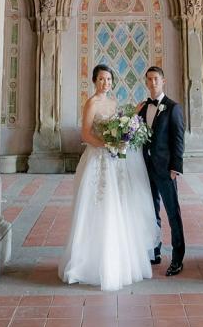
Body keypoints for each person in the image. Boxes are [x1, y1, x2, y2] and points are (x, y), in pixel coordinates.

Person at [59, 64, 157, 291]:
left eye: (109, 80)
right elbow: (85, 134)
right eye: (101, 79)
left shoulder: (114, 103)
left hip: (114, 161)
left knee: (117, 205)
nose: (105, 83)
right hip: (98, 158)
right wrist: (107, 145)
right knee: (96, 205)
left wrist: (123, 135)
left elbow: (119, 127)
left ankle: (119, 261)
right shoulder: (92, 103)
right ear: (94, 81)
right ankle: (88, 263)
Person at [137, 66, 186, 276]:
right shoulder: (142, 108)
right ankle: (154, 250)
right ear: (146, 82)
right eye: (149, 79)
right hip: (145, 168)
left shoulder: (173, 107)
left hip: (166, 169)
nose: (153, 82)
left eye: (156, 79)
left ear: (163, 81)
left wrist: (176, 167)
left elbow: (178, 140)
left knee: (172, 212)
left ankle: (177, 258)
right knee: (151, 211)